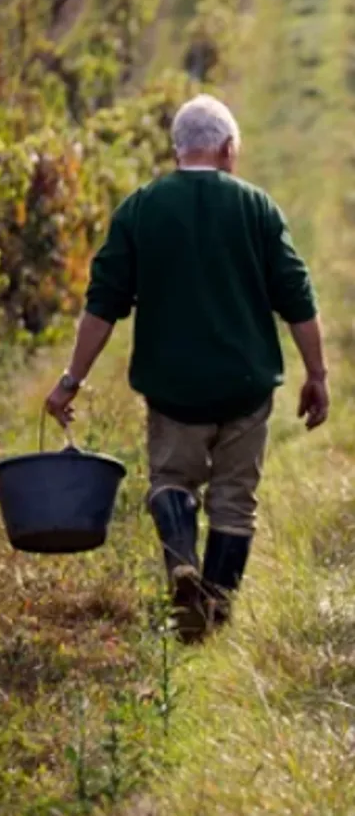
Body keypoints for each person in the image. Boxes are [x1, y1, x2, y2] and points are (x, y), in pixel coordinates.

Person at [45, 94, 329, 642]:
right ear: (227, 149)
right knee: (234, 502)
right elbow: (298, 299)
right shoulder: (257, 208)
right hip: (245, 389)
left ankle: (181, 561)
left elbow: (102, 305)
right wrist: (317, 375)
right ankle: (211, 620)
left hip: (172, 390)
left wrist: (70, 381)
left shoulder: (140, 208)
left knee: (172, 480)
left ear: (178, 150)